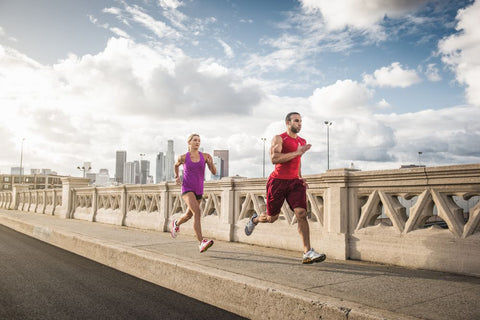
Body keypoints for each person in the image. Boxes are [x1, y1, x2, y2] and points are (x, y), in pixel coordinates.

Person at [244, 112, 326, 264]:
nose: (299, 124)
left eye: (301, 121)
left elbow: (297, 161)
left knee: (301, 213)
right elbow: (274, 159)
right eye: (296, 121)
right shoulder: (279, 138)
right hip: (277, 182)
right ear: (288, 123)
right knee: (271, 218)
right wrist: (297, 152)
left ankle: (307, 252)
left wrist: (300, 176)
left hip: (294, 182)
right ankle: (255, 220)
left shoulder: (302, 140)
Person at [171, 133, 217, 253]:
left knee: (188, 215)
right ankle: (201, 242)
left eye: (199, 141)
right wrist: (177, 177)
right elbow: (175, 165)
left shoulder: (205, 156)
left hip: (199, 189)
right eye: (195, 140)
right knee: (197, 212)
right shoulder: (183, 157)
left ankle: (176, 223)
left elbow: (213, 172)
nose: (197, 142)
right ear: (189, 142)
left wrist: (211, 163)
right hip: (187, 188)